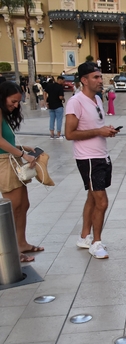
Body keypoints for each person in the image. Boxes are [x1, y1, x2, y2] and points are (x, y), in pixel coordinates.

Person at [65, 62, 120, 259]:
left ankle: (83, 237)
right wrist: (99, 131)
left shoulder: (97, 99)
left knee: (92, 197)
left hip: (101, 154)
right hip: (88, 158)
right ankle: (96, 242)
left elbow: (95, 125)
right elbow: (69, 133)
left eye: (100, 76)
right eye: (96, 77)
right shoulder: (75, 102)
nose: (100, 80)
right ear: (84, 80)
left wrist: (106, 130)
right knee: (102, 201)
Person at [0, 82, 42, 263]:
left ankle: (21, 242)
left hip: (11, 160)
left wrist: (20, 147)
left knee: (23, 205)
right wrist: (23, 154)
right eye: (13, 101)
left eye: (18, 102)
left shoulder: (3, 114)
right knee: (13, 208)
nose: (16, 105)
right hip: (4, 164)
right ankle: (12, 251)